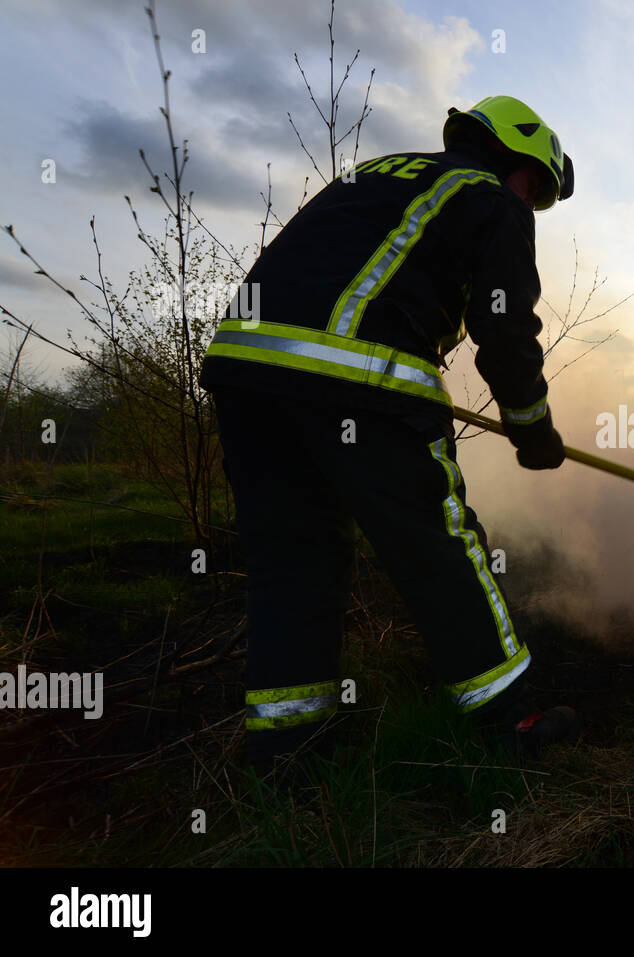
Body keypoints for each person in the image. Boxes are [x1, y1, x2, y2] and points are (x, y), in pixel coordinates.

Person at [196, 95, 578, 773]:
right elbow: (505, 324)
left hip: (246, 374)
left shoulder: (384, 173)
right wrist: (532, 427)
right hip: (355, 376)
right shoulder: (489, 196)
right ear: (513, 157)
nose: (531, 201)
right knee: (441, 545)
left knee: (294, 561)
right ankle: (508, 717)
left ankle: (288, 753)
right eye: (536, 186)